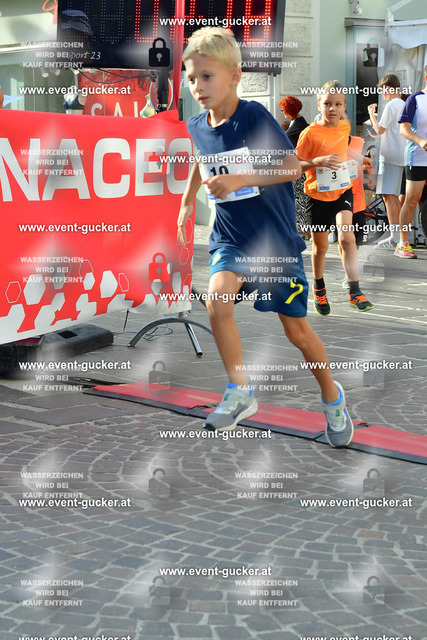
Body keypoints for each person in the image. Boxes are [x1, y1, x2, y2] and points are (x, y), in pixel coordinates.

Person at [176, 27, 354, 447]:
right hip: (231, 236)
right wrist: (185, 203)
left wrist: (240, 178)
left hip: (274, 243)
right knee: (217, 301)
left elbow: (291, 167)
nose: (198, 86)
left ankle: (332, 398)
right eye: (191, 78)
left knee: (298, 333)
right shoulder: (196, 124)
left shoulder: (254, 116)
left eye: (207, 76)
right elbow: (202, 160)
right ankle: (240, 391)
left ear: (235, 76)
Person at [295, 80, 373, 315]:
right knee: (320, 247)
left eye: (338, 104)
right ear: (319, 104)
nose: (332, 108)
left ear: (344, 107)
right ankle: (319, 288)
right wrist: (316, 162)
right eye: (327, 103)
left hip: (341, 190)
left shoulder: (344, 127)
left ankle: (355, 290)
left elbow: (342, 148)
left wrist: (360, 159)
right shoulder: (310, 133)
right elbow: (294, 165)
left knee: (347, 237)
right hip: (316, 195)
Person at [367, 73, 406, 248]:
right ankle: (398, 237)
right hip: (399, 156)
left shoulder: (392, 105)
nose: (382, 94)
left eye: (383, 90)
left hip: (390, 157)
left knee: (389, 196)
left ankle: (395, 237)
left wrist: (371, 115)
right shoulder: (403, 104)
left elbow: (379, 130)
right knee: (393, 197)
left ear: (389, 88)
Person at [396, 64, 427, 258]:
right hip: (417, 157)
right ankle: (403, 243)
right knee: (412, 200)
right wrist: (421, 140)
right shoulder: (415, 99)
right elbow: (404, 129)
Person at [279, 96, 310, 239]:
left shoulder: (296, 128)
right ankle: (303, 229)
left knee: (299, 200)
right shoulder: (300, 124)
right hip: (301, 167)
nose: (282, 113)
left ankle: (303, 230)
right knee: (300, 199)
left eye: (283, 110)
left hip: (298, 168)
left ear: (288, 111)